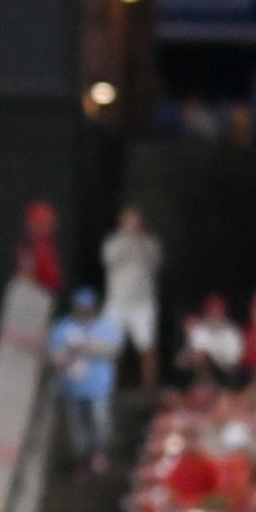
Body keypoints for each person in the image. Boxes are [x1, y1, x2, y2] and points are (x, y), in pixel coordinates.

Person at [49, 287, 122, 474]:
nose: (85, 311)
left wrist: (85, 346)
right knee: (78, 427)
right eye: (82, 308)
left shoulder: (104, 326)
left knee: (99, 420)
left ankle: (99, 454)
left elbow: (111, 350)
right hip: (72, 386)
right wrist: (69, 353)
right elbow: (55, 356)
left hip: (98, 385)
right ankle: (82, 459)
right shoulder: (63, 327)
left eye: (88, 307)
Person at [100, 207, 163, 390]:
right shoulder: (112, 242)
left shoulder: (150, 242)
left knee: (147, 345)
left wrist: (139, 240)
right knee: (110, 346)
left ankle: (149, 387)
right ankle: (107, 386)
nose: (132, 223)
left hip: (143, 302)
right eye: (128, 220)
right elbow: (109, 260)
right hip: (117, 301)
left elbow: (156, 262)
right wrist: (127, 239)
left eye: (135, 219)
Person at [179, 293, 245, 387]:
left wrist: (209, 355)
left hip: (227, 373)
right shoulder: (201, 329)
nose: (214, 316)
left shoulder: (232, 332)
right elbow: (187, 357)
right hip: (205, 372)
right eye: (211, 312)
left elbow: (234, 361)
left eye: (217, 313)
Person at [16, 200, 63, 295]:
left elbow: (54, 280)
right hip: (29, 290)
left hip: (39, 292)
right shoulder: (29, 244)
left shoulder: (43, 247)